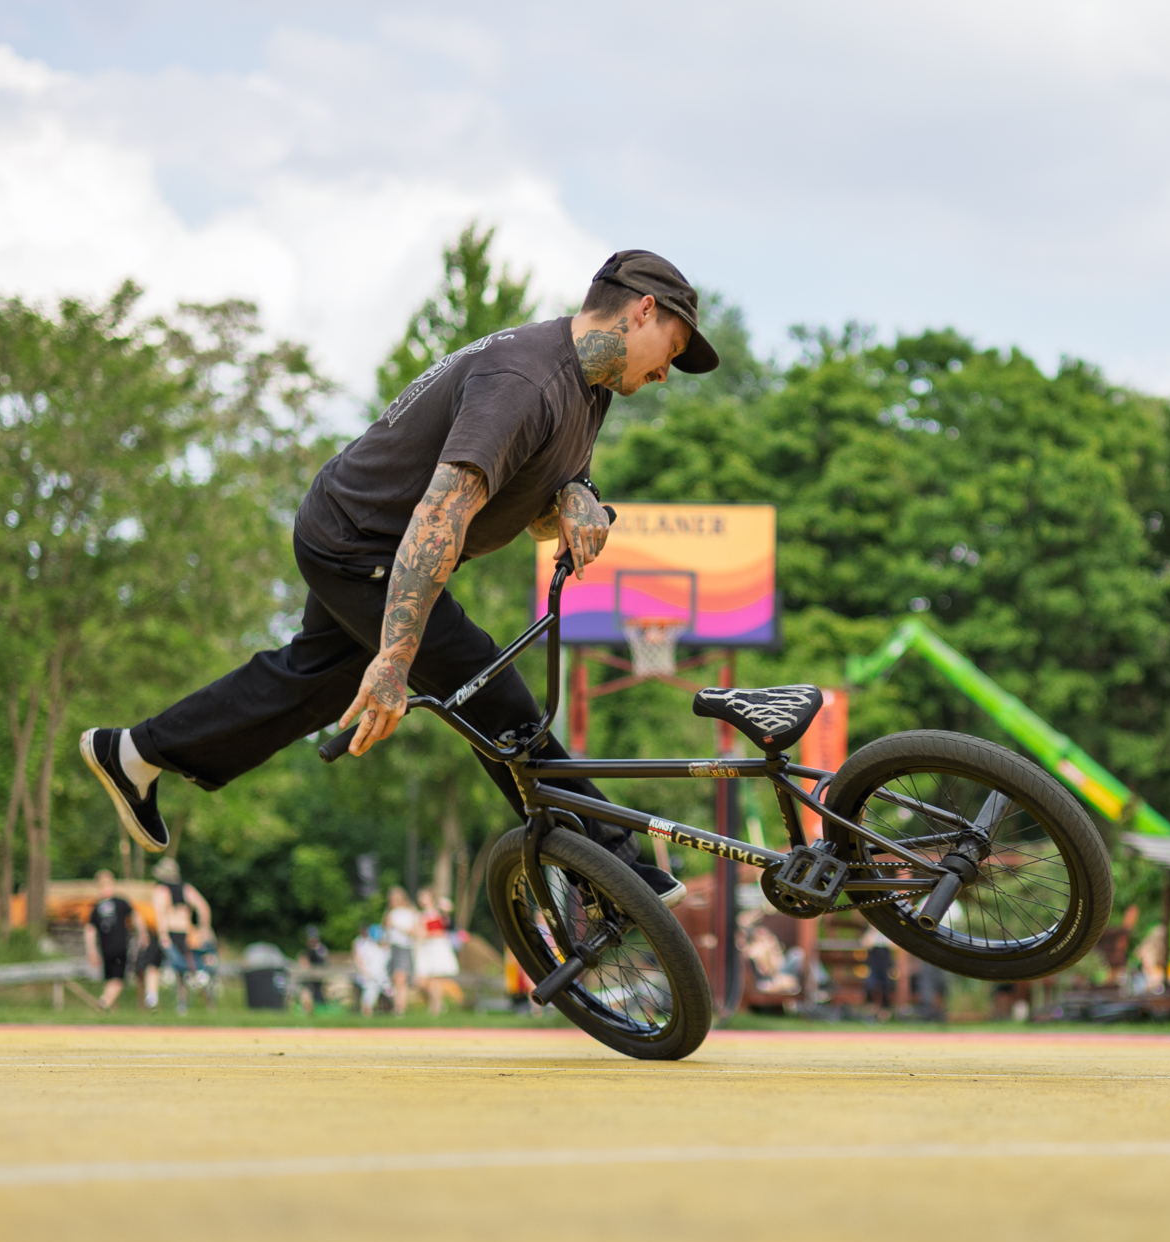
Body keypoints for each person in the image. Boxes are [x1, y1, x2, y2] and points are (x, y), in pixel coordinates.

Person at [79, 251, 718, 911]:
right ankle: (609, 865)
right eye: (671, 349)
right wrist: (394, 657)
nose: (667, 373)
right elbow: (439, 516)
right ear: (642, 309)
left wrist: (578, 494)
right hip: (365, 542)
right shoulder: (524, 379)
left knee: (312, 682)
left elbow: (545, 481)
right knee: (493, 695)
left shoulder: (592, 385)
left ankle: (133, 752)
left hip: (362, 528)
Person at [152, 857, 214, 1012]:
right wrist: (203, 929)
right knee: (189, 970)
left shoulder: (160, 890)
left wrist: (162, 935)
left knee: (159, 966)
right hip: (186, 932)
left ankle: (158, 1001)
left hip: (170, 934)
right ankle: (197, 1003)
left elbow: (160, 915)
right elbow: (204, 908)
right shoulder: (187, 889)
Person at [85, 871, 146, 1011]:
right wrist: (143, 934)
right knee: (118, 979)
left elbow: (90, 931)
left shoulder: (96, 906)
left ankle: (113, 1011)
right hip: (120, 946)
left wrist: (91, 950)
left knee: (109, 979)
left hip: (105, 948)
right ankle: (104, 1002)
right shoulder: (120, 901)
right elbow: (136, 916)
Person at [413, 889, 465, 1015]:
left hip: (438, 947)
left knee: (437, 979)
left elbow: (448, 920)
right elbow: (421, 933)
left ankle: (435, 1007)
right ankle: (437, 1003)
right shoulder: (421, 915)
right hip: (428, 947)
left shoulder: (439, 912)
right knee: (424, 980)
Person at [382, 885, 421, 1014]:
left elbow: (413, 932)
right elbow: (386, 933)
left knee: (400, 979)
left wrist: (396, 926)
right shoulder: (389, 913)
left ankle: (400, 1008)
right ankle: (396, 1006)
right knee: (393, 979)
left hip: (404, 947)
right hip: (393, 948)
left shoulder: (410, 913)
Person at [352, 924, 393, 1016]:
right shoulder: (367, 946)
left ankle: (393, 1011)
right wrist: (365, 973)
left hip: (382, 976)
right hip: (370, 975)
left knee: (390, 992)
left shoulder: (384, 949)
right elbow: (359, 960)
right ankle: (366, 1014)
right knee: (369, 994)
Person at [294, 926, 334, 1013]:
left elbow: (324, 964)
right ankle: (307, 1008)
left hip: (318, 977)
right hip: (308, 977)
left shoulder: (320, 950)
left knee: (317, 993)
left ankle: (315, 1008)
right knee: (304, 990)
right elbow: (303, 962)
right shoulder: (307, 950)